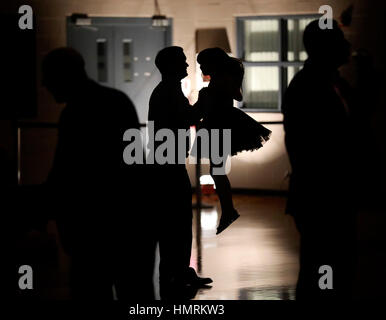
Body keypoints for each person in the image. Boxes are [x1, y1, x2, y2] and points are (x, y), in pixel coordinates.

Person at [42, 47, 154, 300]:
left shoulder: (73, 113)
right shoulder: (119, 100)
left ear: (62, 76)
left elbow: (65, 171)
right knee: (136, 293)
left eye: (48, 77)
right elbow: (133, 160)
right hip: (131, 220)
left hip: (93, 229)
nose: (44, 85)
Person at [282, 19, 357, 299]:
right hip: (323, 194)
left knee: (327, 268)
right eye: (340, 39)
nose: (347, 45)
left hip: (325, 193)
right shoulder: (310, 87)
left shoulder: (327, 82)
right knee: (325, 270)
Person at [148, 46, 212, 299]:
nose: (187, 67)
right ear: (172, 66)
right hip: (169, 169)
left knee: (176, 222)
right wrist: (207, 99)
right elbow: (188, 117)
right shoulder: (168, 92)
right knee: (177, 222)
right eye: (183, 63)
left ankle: (178, 271)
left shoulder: (167, 91)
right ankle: (177, 272)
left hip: (168, 165)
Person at [194, 48, 271, 234]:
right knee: (217, 171)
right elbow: (238, 96)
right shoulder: (225, 81)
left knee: (217, 171)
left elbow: (200, 111)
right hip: (224, 124)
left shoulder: (212, 88)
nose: (201, 68)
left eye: (203, 64)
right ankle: (228, 210)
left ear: (213, 65)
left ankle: (228, 211)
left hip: (218, 126)